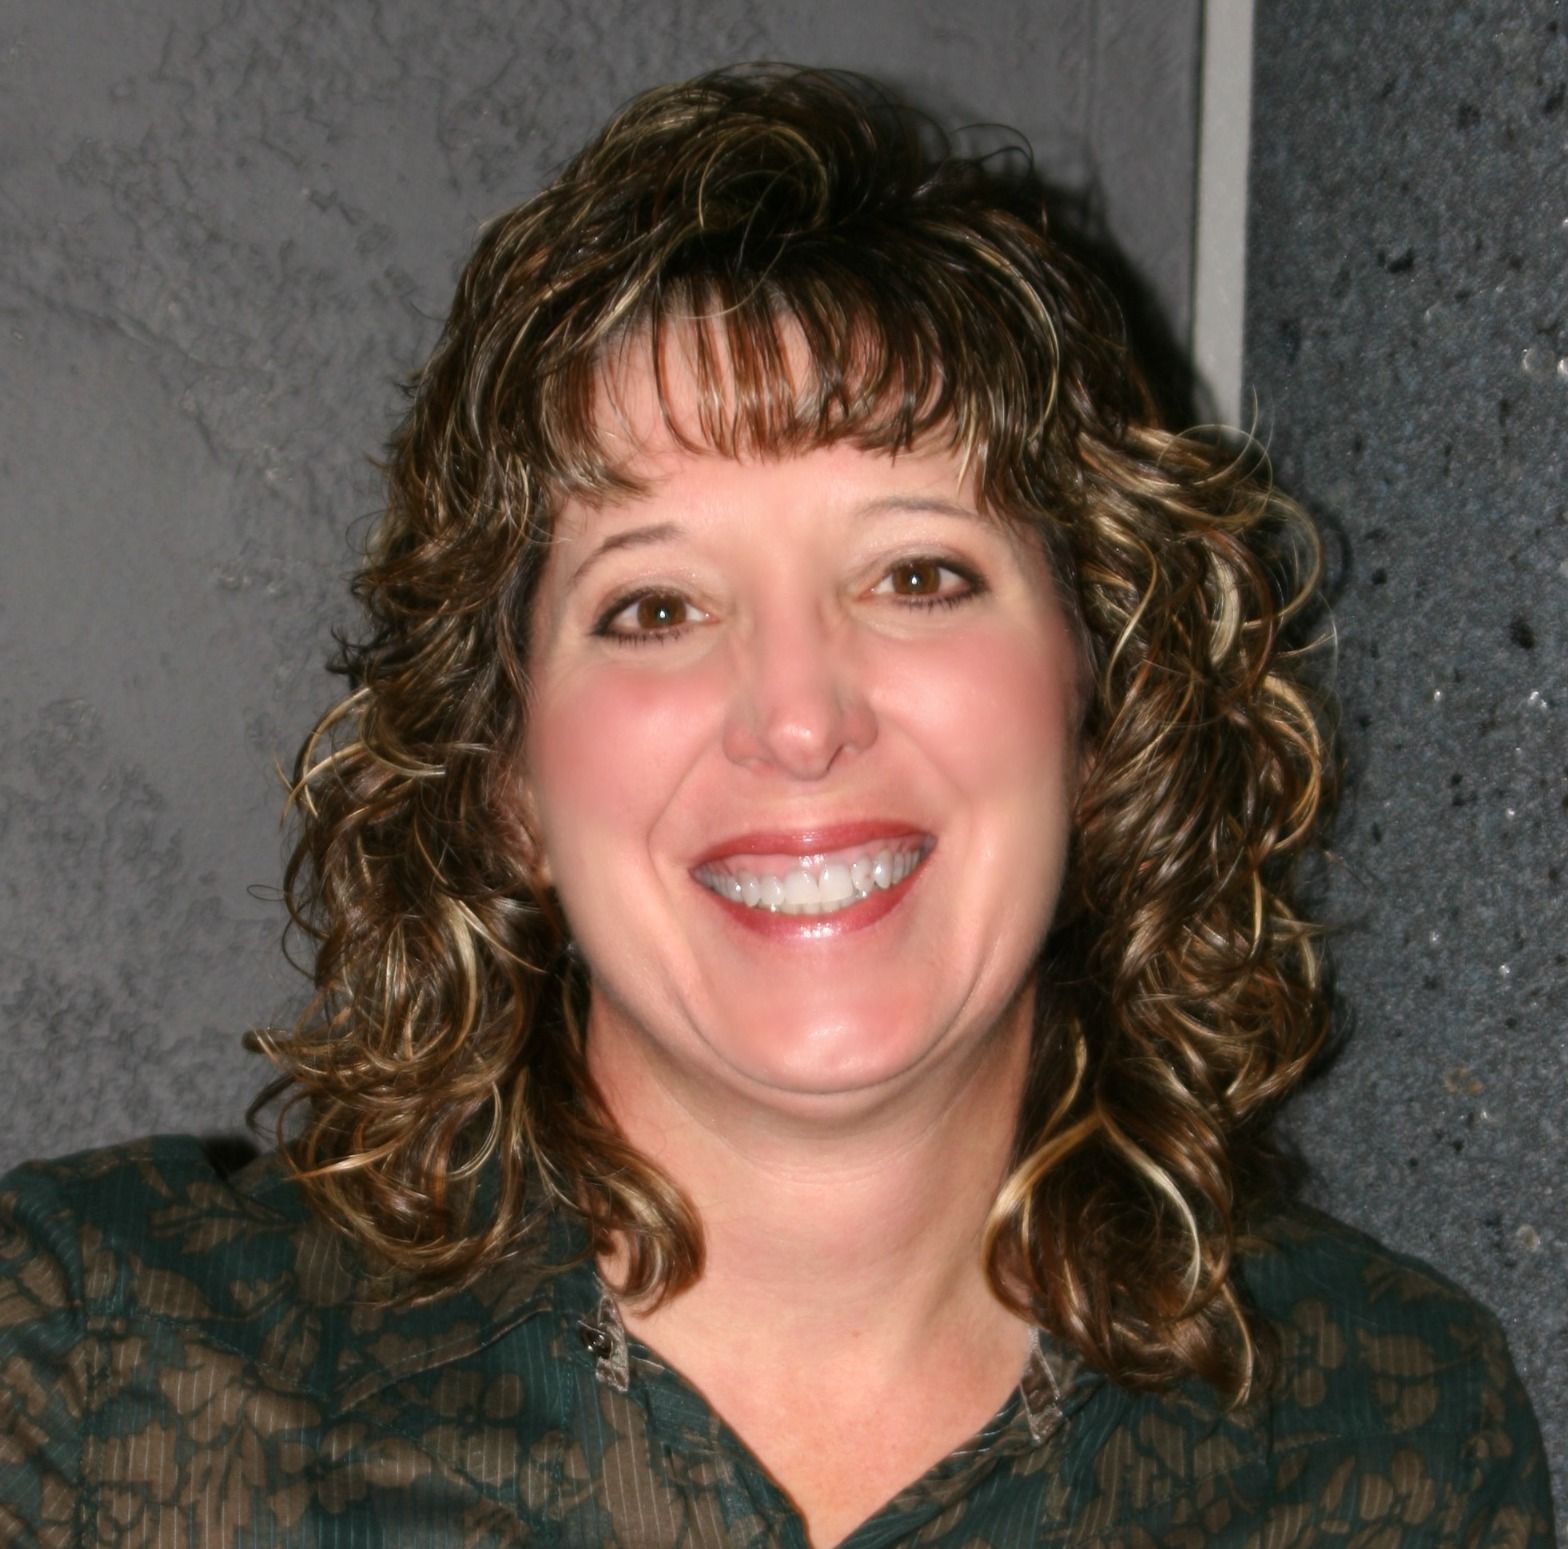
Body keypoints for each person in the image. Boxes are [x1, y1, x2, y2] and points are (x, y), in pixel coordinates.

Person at [0, 66, 1553, 1549]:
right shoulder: (94, 1362)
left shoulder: (1380, 1431)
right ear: (507, 784)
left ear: (1104, 707)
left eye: (918, 574)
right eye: (658, 606)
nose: (801, 717)